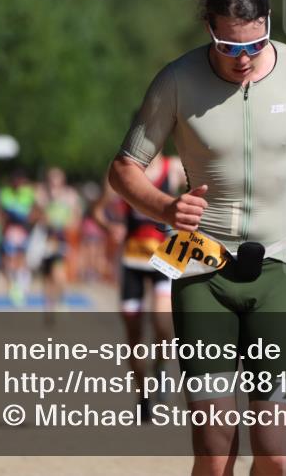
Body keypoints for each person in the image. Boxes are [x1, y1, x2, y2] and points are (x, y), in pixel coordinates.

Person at [108, 0, 286, 475]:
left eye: (254, 42)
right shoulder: (176, 81)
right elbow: (123, 169)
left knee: (279, 453)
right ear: (208, 28)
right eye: (227, 45)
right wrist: (164, 208)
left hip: (277, 274)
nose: (242, 57)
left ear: (268, 24)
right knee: (215, 448)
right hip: (202, 273)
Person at [95, 152, 185, 421]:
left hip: (166, 256)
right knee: (134, 335)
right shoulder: (123, 171)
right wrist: (110, 227)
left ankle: (161, 365)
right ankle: (143, 395)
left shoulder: (174, 168)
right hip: (132, 258)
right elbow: (98, 210)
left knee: (162, 322)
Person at [38, 167, 82, 312]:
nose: (53, 183)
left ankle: (61, 299)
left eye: (56, 179)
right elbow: (36, 216)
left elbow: (76, 217)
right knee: (47, 275)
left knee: (59, 272)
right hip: (45, 239)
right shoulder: (42, 195)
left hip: (62, 239)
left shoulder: (70, 195)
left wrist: (68, 225)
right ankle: (48, 304)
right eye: (51, 179)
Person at [0, 168, 39, 306]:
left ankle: (21, 286)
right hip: (10, 231)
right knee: (9, 260)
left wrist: (28, 221)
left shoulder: (29, 193)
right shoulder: (5, 193)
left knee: (21, 259)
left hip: (23, 231)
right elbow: (2, 213)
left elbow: (35, 212)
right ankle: (14, 286)